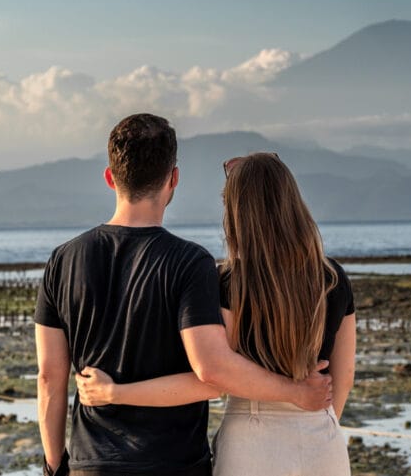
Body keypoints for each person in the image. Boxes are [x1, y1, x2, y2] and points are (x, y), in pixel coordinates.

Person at [35, 115, 332, 476]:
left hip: (91, 463)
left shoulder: (62, 260)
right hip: (176, 464)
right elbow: (211, 375)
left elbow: (50, 378)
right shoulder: (190, 262)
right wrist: (295, 392)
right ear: (173, 179)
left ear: (110, 177)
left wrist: (54, 464)